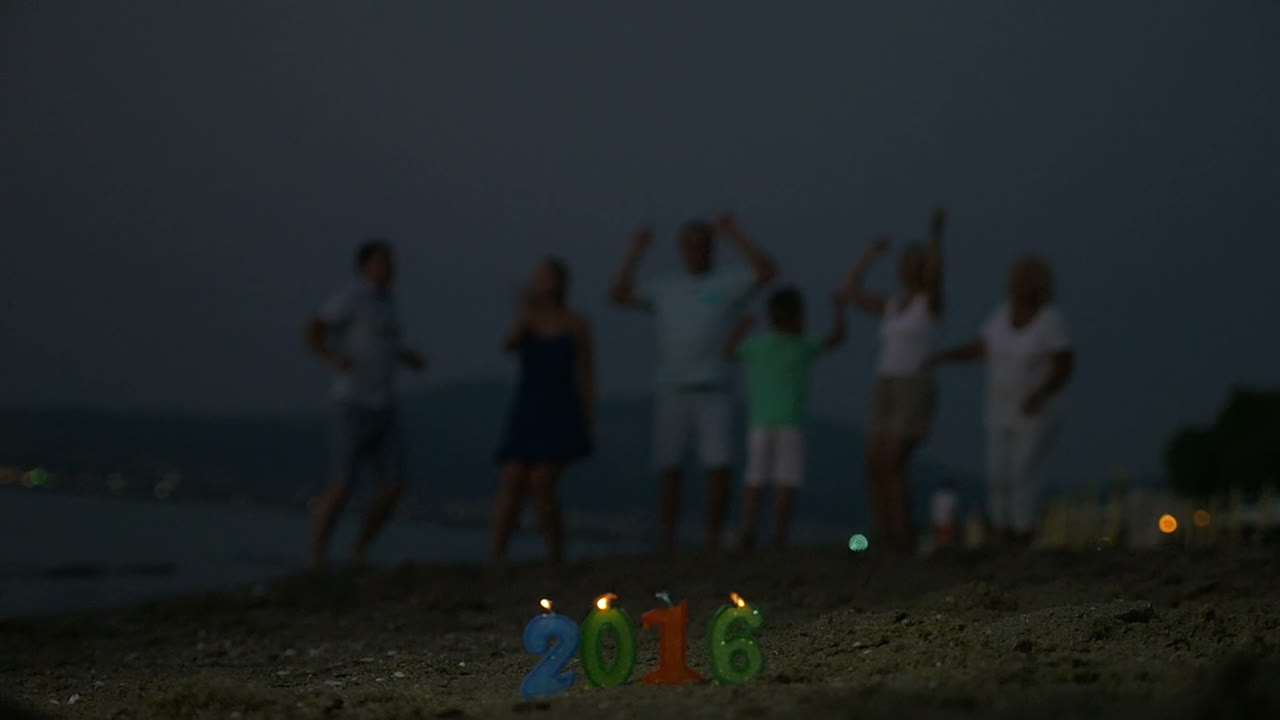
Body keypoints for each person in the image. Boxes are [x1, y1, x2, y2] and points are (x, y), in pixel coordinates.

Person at [609, 214, 777, 555]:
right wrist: (634, 253)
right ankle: (668, 539)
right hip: (673, 389)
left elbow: (766, 271)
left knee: (718, 466)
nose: (696, 252)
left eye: (702, 245)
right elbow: (618, 294)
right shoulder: (665, 287)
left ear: (711, 249)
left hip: (714, 388)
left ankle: (713, 537)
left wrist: (736, 234)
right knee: (669, 466)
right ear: (682, 250)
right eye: (690, 246)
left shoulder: (726, 282)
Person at [931, 255, 1075, 548]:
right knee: (998, 471)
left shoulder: (1050, 319)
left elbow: (1064, 363)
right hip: (999, 409)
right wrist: (944, 356)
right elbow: (981, 347)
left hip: (1034, 411)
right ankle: (1001, 527)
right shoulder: (1000, 315)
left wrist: (1041, 392)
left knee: (1024, 470)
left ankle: (1023, 529)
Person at [303, 239, 426, 569]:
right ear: (366, 266)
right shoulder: (351, 297)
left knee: (393, 485)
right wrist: (331, 358)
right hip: (351, 402)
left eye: (392, 262)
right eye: (384, 262)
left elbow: (381, 344)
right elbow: (314, 330)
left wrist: (406, 357)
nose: (391, 269)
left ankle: (358, 551)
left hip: (383, 404)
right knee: (342, 483)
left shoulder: (388, 303)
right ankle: (317, 554)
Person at [842, 207, 946, 554]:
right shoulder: (892, 304)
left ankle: (903, 532)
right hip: (886, 384)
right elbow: (850, 292)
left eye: (914, 263)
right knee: (875, 462)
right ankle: (885, 531)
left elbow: (936, 278)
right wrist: (868, 254)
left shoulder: (927, 303)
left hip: (912, 385)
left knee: (894, 463)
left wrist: (935, 238)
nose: (907, 269)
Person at [490, 257, 595, 567]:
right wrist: (525, 313)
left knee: (542, 483)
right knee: (512, 478)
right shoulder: (529, 321)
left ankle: (555, 554)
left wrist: (589, 417)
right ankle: (497, 555)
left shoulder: (576, 323)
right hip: (528, 406)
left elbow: (586, 372)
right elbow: (508, 345)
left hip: (561, 408)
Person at [725, 287, 846, 550]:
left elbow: (728, 349)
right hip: (790, 423)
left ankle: (749, 527)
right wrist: (839, 310)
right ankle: (779, 534)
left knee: (756, 478)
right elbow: (836, 338)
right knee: (785, 480)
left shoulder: (757, 346)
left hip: (761, 422)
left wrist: (742, 326)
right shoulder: (802, 347)